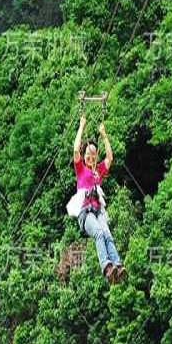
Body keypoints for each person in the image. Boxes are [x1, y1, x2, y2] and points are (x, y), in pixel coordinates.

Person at [67, 115, 126, 284]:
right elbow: (76, 150)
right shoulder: (81, 169)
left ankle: (117, 266)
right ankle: (107, 267)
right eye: (88, 154)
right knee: (99, 233)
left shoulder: (98, 171)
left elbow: (110, 158)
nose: (90, 157)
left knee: (107, 234)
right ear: (85, 156)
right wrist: (81, 126)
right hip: (85, 213)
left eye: (93, 154)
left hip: (98, 209)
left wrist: (104, 135)